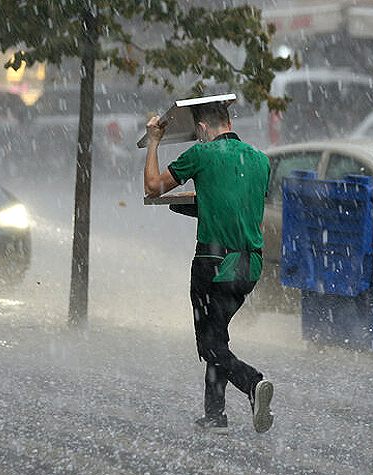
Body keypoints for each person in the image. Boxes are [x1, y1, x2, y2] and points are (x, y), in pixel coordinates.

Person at [143, 101, 274, 434]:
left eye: (197, 133)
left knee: (209, 345)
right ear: (229, 121)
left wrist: (155, 141)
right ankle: (215, 414)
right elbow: (235, 205)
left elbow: (153, 186)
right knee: (218, 336)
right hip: (249, 266)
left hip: (213, 264)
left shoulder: (201, 155)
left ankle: (252, 383)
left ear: (201, 129)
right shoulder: (260, 160)